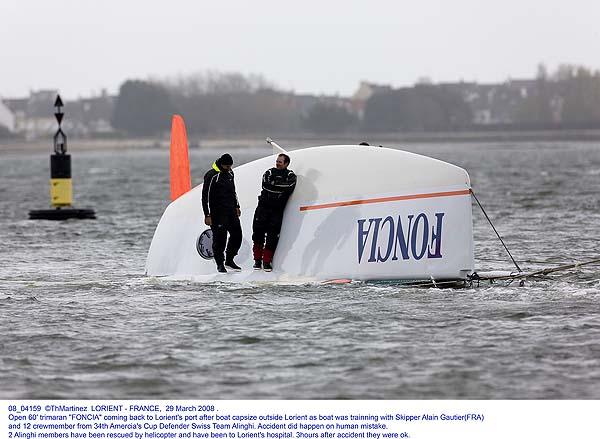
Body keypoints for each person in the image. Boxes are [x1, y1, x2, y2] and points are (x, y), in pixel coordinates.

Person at [252, 153, 297, 271]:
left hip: (276, 211)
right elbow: (266, 185)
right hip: (262, 208)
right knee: (258, 234)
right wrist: (279, 188)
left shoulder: (291, 175)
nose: (277, 163)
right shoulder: (269, 173)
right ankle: (257, 261)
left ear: (286, 164)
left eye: (280, 162)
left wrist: (275, 186)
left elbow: (289, 187)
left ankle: (267, 262)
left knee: (272, 237)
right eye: (277, 161)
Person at [202, 153, 242, 273]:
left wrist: (237, 206)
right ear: (221, 164)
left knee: (237, 235)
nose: (229, 168)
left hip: (231, 211)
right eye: (227, 166)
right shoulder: (211, 175)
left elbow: (233, 191)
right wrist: (207, 214)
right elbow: (205, 197)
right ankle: (220, 263)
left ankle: (229, 259)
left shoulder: (230, 173)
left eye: (230, 166)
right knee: (220, 239)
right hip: (217, 214)